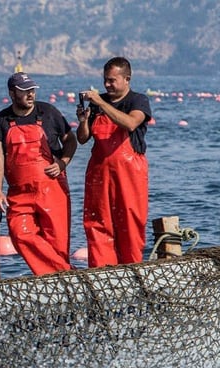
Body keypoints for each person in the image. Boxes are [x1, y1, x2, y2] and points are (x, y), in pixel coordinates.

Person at [0, 72, 77, 275]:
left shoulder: (49, 112)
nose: (30, 94)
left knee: (57, 243)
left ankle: (56, 282)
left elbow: (70, 140)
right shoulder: (0, 121)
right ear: (12, 93)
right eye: (24, 91)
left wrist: (63, 163)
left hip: (52, 188)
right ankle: (66, 273)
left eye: (32, 90)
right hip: (19, 192)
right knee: (20, 234)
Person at [76, 56, 151, 267]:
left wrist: (100, 103)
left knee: (130, 221)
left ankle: (133, 268)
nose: (107, 85)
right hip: (99, 172)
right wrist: (83, 121)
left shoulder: (138, 100)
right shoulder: (98, 103)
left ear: (127, 79)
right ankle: (102, 271)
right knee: (97, 221)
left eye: (112, 80)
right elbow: (82, 139)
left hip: (130, 172)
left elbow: (130, 123)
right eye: (105, 80)